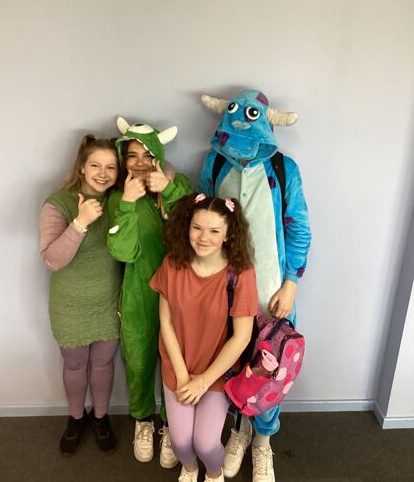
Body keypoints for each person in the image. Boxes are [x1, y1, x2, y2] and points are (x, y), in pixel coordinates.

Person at [198, 90, 312, 482]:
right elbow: (202, 218)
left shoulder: (284, 168)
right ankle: (239, 430)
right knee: (231, 362)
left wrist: (291, 283)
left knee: (269, 366)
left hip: (270, 292)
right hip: (223, 292)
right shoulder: (214, 163)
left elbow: (298, 228)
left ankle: (263, 441)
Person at [150, 193, 259, 482]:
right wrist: (182, 375)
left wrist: (203, 381)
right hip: (179, 366)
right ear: (187, 227)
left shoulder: (240, 273)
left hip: (217, 372)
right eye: (197, 228)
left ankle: (213, 474)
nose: (203, 237)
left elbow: (242, 337)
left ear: (228, 235)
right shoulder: (173, 264)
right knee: (181, 443)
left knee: (206, 444)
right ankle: (189, 470)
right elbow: (166, 322)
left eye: (213, 231)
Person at [107, 119, 193, 466]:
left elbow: (196, 231)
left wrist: (168, 191)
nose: (140, 163)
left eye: (147, 155)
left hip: (180, 295)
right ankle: (143, 420)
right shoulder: (118, 198)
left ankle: (172, 425)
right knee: (140, 361)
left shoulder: (179, 184)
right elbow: (122, 252)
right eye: (132, 156)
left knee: (177, 361)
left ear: (158, 155)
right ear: (123, 160)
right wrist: (128, 204)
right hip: (139, 294)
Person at [40, 134, 122, 455]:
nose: (103, 173)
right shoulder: (58, 202)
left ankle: (100, 418)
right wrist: (80, 223)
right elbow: (52, 259)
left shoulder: (119, 201)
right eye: (96, 165)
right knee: (75, 366)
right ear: (82, 167)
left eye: (111, 167)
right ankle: (76, 418)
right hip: (70, 305)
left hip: (109, 302)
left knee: (103, 363)